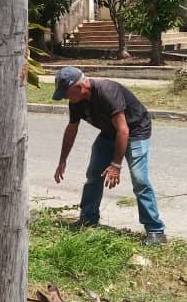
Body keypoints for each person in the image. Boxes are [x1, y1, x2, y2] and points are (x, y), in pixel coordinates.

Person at [52, 66, 166, 244]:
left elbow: (123, 130)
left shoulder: (106, 91)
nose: (66, 97)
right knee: (93, 175)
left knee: (140, 180)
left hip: (135, 130)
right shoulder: (76, 101)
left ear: (80, 87)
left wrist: (116, 165)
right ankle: (88, 219)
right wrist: (62, 160)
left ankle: (156, 231)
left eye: (66, 93)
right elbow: (72, 128)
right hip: (110, 132)